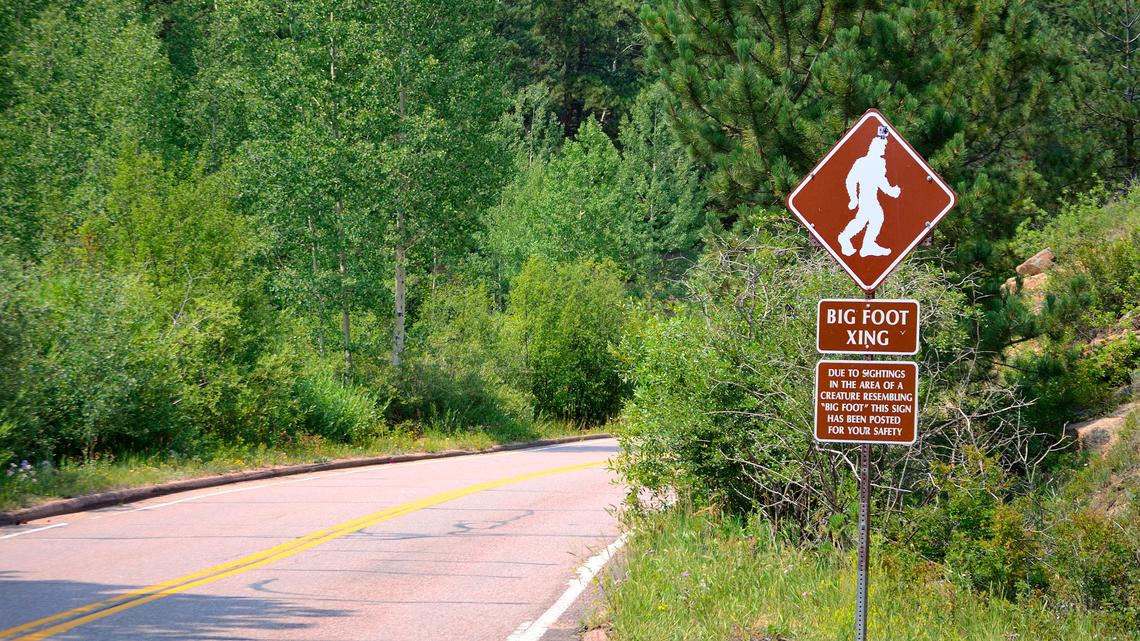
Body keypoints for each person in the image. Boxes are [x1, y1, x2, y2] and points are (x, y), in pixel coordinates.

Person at [838, 129, 901, 257]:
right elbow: (851, 180)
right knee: (872, 218)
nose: (884, 149)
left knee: (867, 219)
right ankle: (853, 240)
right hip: (865, 197)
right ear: (875, 147)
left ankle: (862, 243)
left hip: (871, 197)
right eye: (883, 146)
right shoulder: (862, 162)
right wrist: (853, 199)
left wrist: (892, 191)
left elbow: (881, 181)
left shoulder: (880, 162)